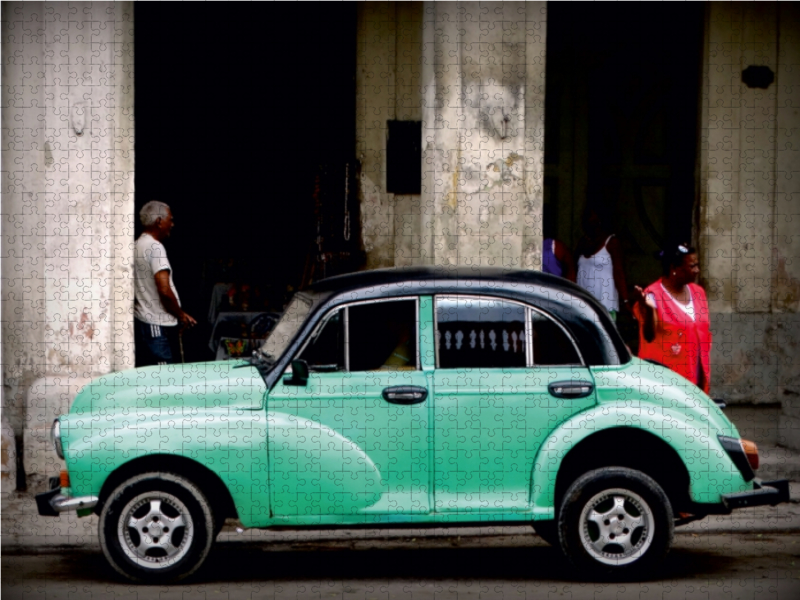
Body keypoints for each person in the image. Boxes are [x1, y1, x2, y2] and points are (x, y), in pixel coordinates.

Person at [632, 243, 711, 393]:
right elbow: (649, 335)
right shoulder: (653, 295)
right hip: (664, 385)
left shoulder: (698, 292)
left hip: (696, 382)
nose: (697, 270)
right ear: (674, 268)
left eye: (697, 265)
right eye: (692, 266)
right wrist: (649, 309)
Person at [134, 201, 196, 366]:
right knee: (162, 378)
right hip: (156, 324)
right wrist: (181, 314)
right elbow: (164, 290)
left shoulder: (136, 245)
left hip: (146, 323)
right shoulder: (155, 247)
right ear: (159, 221)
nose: (172, 224)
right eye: (171, 219)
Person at [575, 209, 630, 319]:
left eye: (594, 221)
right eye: (586, 221)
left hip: (605, 305)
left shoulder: (612, 242)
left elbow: (619, 273)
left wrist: (625, 300)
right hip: (583, 305)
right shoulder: (583, 242)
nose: (590, 225)